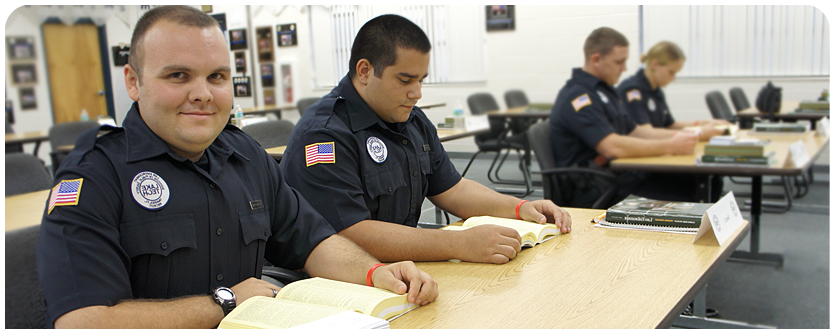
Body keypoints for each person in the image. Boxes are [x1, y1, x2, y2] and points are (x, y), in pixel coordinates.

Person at [35, 6, 437, 329]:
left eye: (217, 77)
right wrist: (223, 303)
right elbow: (83, 322)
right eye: (178, 76)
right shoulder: (94, 176)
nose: (203, 93)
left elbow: (312, 241)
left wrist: (374, 273)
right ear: (134, 81)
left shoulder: (245, 155)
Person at [281, 14, 571, 265]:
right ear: (365, 71)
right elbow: (349, 235)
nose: (417, 92)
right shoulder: (324, 136)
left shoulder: (410, 120)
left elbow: (453, 190)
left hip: (399, 269)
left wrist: (519, 207)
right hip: (338, 284)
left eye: (422, 80)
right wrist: (459, 245)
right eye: (405, 80)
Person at [549, 27, 721, 208]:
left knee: (706, 182)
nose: (624, 68)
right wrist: (669, 145)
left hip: (621, 176)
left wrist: (688, 137)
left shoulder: (606, 91)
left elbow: (638, 131)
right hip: (597, 188)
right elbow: (612, 147)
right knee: (693, 193)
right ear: (597, 60)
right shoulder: (579, 97)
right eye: (619, 62)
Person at [616, 41, 730, 140]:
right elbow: (645, 134)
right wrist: (697, 133)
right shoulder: (633, 91)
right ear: (655, 64)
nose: (673, 78)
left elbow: (669, 125)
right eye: (671, 72)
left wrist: (701, 123)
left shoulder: (656, 90)